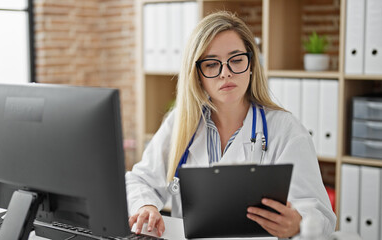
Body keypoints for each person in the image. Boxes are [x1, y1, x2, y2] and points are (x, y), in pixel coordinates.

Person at [126, 11, 336, 239]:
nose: (225, 73)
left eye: (236, 60)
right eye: (211, 64)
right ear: (197, 75)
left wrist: (297, 225)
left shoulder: (286, 130)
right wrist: (145, 206)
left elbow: (322, 216)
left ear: (251, 65)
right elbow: (139, 179)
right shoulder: (181, 122)